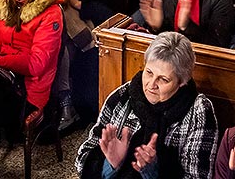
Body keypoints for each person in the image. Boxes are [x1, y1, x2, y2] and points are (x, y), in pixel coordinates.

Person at [76, 32, 218, 179]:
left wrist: (154, 171)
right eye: (149, 72)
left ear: (182, 82)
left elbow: (197, 176)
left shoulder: (199, 111)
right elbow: (81, 160)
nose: (151, 85)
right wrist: (110, 164)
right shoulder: (124, 95)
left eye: (163, 79)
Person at [0, 0, 63, 123]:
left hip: (32, 83)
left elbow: (37, 64)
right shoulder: (8, 0)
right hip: (5, 71)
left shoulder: (51, 13)